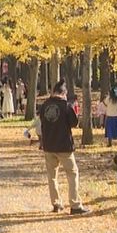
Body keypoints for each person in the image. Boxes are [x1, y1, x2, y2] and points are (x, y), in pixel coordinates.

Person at [40, 80, 90, 215]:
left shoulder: (44, 105)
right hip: (64, 146)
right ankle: (75, 204)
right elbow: (74, 123)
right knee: (72, 174)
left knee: (52, 176)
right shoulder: (66, 106)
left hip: (49, 145)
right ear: (64, 93)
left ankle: (56, 203)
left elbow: (42, 123)